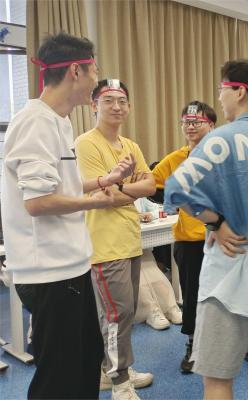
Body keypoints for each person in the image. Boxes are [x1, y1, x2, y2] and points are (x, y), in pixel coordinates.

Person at [0, 32, 135, 399]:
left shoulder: (59, 121)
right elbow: (38, 202)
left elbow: (61, 186)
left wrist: (104, 180)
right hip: (49, 272)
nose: (96, 79)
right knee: (60, 378)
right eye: (95, 71)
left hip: (70, 267)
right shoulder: (35, 122)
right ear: (76, 71)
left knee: (85, 360)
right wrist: (98, 203)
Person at [164, 59, 248, 400]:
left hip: (230, 282)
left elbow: (176, 189)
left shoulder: (221, 140)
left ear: (239, 91)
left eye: (221, 90)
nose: (219, 97)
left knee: (217, 381)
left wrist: (216, 222)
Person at [75, 79, 156, 399]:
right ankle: (119, 382)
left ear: (129, 107)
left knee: (125, 314)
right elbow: (101, 195)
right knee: (115, 316)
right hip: (104, 245)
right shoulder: (86, 143)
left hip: (129, 239)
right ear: (93, 105)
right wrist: (124, 189)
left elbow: (150, 186)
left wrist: (119, 187)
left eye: (122, 101)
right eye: (108, 100)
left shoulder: (131, 145)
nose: (116, 106)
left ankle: (114, 370)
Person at [152, 100, 216, 373]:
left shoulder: (224, 157)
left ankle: (244, 344)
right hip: (190, 241)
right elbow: (153, 186)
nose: (190, 126)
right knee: (192, 296)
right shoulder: (175, 159)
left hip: (224, 239)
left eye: (197, 121)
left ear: (211, 125)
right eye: (186, 122)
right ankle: (193, 345)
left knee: (231, 295)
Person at [134, 197, 183, 330]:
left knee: (149, 265)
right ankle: (151, 311)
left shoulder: (139, 198)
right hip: (120, 249)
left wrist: (150, 214)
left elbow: (163, 209)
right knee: (141, 269)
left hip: (140, 245)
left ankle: (170, 307)